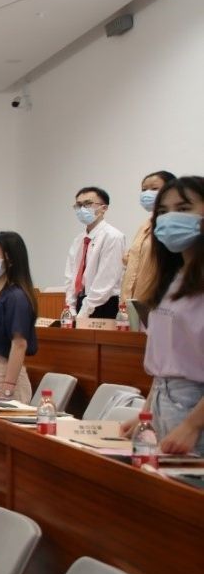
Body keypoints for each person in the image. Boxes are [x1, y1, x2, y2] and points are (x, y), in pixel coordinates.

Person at [140, 176, 204, 455]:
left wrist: (192, 424)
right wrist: (145, 415)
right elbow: (163, 363)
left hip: (196, 407)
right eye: (163, 212)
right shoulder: (172, 277)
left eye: (184, 208)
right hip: (164, 398)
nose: (170, 218)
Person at [0, 232, 39, 403]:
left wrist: (8, 387)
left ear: (10, 259)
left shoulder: (16, 296)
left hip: (4, 373)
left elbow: (19, 344)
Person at [63, 186, 126, 320]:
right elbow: (70, 276)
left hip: (104, 304)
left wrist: (83, 314)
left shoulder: (113, 237)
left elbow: (106, 280)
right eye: (79, 205)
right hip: (81, 302)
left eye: (88, 204)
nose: (82, 209)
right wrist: (71, 308)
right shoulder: (79, 240)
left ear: (104, 208)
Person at [121, 170, 176, 321]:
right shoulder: (144, 225)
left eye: (154, 188)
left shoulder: (174, 226)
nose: (147, 194)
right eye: (144, 189)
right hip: (132, 303)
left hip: (158, 302)